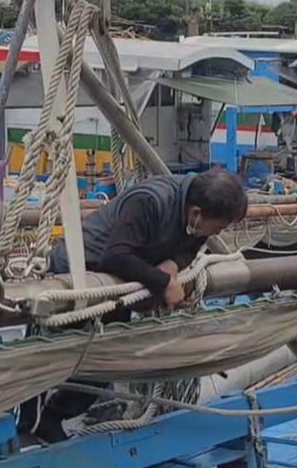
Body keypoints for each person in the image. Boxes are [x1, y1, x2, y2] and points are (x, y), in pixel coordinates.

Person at [21, 169, 248, 442]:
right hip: (79, 277)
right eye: (219, 227)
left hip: (121, 284)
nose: (218, 233)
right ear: (197, 213)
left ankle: (51, 419)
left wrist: (173, 265)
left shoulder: (193, 215)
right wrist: (164, 282)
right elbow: (115, 255)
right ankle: (27, 423)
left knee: (107, 360)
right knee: (57, 356)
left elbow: (193, 245)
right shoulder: (149, 201)